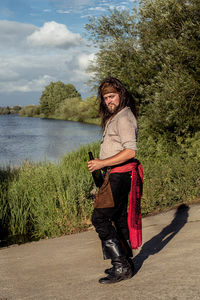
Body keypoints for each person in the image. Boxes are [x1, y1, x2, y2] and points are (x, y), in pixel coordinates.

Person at [88, 77, 143, 284]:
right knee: (118, 218)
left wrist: (102, 164)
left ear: (121, 94)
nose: (109, 101)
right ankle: (125, 263)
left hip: (119, 175)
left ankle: (120, 265)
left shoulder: (124, 117)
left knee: (100, 218)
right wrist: (102, 165)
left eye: (112, 96)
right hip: (115, 174)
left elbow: (130, 151)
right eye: (106, 98)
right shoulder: (117, 116)